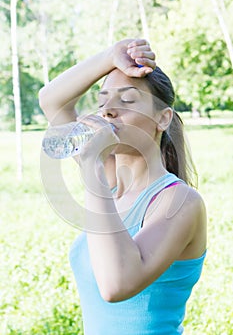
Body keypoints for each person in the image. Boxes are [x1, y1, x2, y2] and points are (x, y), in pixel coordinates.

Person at [39, 38, 207, 335]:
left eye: (126, 101)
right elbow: (52, 99)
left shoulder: (180, 201)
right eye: (103, 101)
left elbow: (116, 285)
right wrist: (110, 57)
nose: (108, 112)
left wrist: (91, 166)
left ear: (163, 118)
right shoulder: (111, 184)